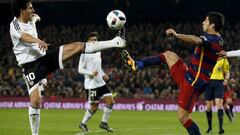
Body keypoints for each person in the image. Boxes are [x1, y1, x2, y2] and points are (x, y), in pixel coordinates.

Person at [10, 0, 126, 135]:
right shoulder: (14, 25)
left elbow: (32, 20)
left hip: (45, 58)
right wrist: (37, 40)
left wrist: (35, 19)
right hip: (30, 66)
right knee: (36, 101)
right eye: (30, 8)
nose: (33, 9)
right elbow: (23, 36)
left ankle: (116, 42)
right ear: (22, 11)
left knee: (77, 46)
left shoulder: (30, 18)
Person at [122, 12, 225, 135]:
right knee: (168, 55)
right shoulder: (216, 39)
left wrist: (177, 35)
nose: (203, 22)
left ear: (212, 25)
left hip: (194, 82)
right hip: (189, 74)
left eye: (206, 20)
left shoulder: (212, 39)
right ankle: (136, 65)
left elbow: (196, 40)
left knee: (183, 117)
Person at [78, 32, 114, 132]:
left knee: (111, 102)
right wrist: (90, 72)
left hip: (100, 82)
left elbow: (98, 67)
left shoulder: (98, 52)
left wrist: (103, 74)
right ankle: (83, 123)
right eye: (91, 40)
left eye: (95, 40)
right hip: (91, 84)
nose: (94, 41)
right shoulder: (84, 54)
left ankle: (104, 123)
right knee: (94, 106)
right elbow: (80, 69)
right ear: (87, 41)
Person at [204, 58, 230, 134]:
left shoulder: (224, 60)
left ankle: (221, 128)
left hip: (219, 83)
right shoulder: (208, 56)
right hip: (208, 83)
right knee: (208, 107)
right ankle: (210, 128)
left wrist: (226, 79)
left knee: (219, 104)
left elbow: (227, 72)